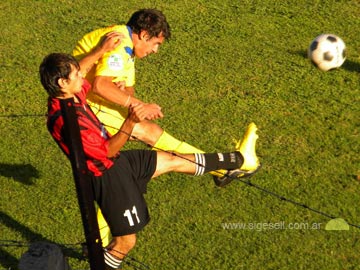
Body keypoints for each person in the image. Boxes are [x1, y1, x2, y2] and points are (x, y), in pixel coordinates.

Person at [39, 52, 260, 269]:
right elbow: (106, 151)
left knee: (171, 159)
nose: (81, 77)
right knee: (126, 241)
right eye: (76, 75)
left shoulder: (70, 95)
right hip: (107, 176)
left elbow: (85, 68)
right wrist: (130, 122)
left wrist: (101, 50)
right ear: (62, 82)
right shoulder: (69, 121)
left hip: (117, 162)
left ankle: (238, 160)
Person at [72, 8, 259, 186]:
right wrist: (138, 105)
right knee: (140, 145)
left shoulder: (128, 48)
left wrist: (126, 98)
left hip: (93, 102)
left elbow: (128, 92)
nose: (155, 50)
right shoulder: (120, 43)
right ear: (145, 35)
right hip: (83, 106)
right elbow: (100, 86)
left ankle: (225, 168)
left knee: (142, 143)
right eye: (156, 44)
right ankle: (232, 165)